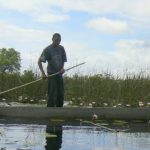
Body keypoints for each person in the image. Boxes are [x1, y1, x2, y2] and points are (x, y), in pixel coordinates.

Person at [38, 33, 67, 107]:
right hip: (51, 73)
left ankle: (59, 110)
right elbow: (39, 61)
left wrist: (62, 68)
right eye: (56, 40)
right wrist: (43, 73)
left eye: (59, 40)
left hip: (59, 73)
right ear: (52, 39)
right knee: (52, 93)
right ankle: (50, 110)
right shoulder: (48, 50)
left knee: (60, 93)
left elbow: (63, 60)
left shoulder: (61, 48)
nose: (58, 42)